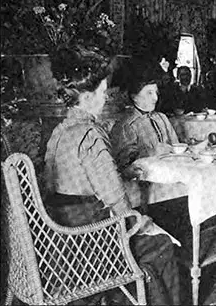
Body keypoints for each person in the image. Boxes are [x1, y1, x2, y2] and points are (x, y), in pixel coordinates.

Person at [43, 46, 180, 305]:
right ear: (86, 97)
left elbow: (76, 180)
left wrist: (121, 172)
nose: (106, 99)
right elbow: (118, 204)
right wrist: (142, 222)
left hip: (62, 239)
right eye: (103, 93)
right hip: (90, 242)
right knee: (161, 243)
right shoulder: (90, 134)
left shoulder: (60, 130)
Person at [111, 61, 179, 178]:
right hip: (146, 181)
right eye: (149, 93)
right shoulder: (127, 125)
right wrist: (152, 152)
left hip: (171, 173)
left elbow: (176, 147)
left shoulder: (162, 118)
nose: (155, 98)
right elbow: (123, 162)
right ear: (134, 97)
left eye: (156, 93)